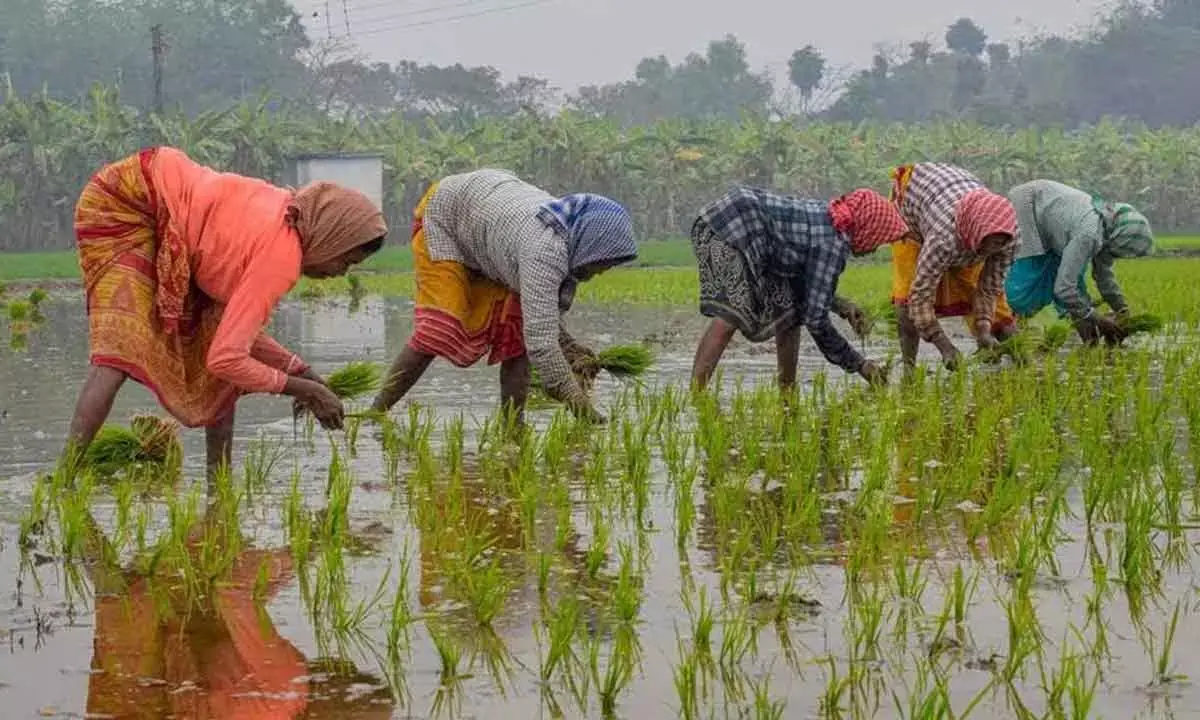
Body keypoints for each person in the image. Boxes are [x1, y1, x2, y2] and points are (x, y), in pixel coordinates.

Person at [67, 146, 386, 476]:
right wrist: (305, 390)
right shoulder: (280, 259)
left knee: (214, 354)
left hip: (171, 202)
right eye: (345, 260)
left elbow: (231, 337)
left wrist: (302, 372)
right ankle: (64, 480)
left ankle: (218, 484)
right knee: (119, 349)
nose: (341, 273)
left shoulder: (289, 216)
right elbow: (227, 357)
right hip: (130, 200)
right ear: (332, 237)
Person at [370, 169, 637, 425]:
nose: (601, 271)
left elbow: (541, 317)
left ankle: (513, 426)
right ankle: (376, 412)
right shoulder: (543, 252)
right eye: (602, 262)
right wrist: (579, 405)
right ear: (589, 245)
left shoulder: (570, 239)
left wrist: (570, 347)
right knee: (438, 329)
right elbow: (541, 344)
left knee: (516, 333)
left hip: (492, 223)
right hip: (448, 213)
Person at [689, 186, 912, 391]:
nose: (875, 248)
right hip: (731, 227)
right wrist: (859, 365)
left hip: (740, 228)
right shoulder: (833, 243)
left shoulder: (832, 222)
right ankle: (697, 395)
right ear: (868, 227)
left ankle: (787, 390)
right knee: (732, 313)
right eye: (878, 239)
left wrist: (842, 306)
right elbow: (816, 320)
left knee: (789, 312)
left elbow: (808, 288)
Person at [889, 162, 1020, 371]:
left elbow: (989, 289)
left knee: (993, 302)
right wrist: (944, 346)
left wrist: (983, 329)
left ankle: (1018, 360)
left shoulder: (1009, 238)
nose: (995, 248)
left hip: (959, 203)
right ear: (977, 234)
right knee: (906, 299)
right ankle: (909, 370)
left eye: (1000, 243)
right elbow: (920, 296)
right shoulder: (943, 240)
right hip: (912, 208)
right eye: (991, 243)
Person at [1006, 179, 1154, 345]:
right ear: (1121, 238)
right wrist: (1098, 319)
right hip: (1029, 205)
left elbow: (1104, 277)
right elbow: (1064, 289)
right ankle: (1003, 324)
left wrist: (1122, 311)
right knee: (1033, 275)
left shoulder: (1107, 232)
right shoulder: (1089, 234)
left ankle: (1089, 340)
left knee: (1072, 282)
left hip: (1051, 219)